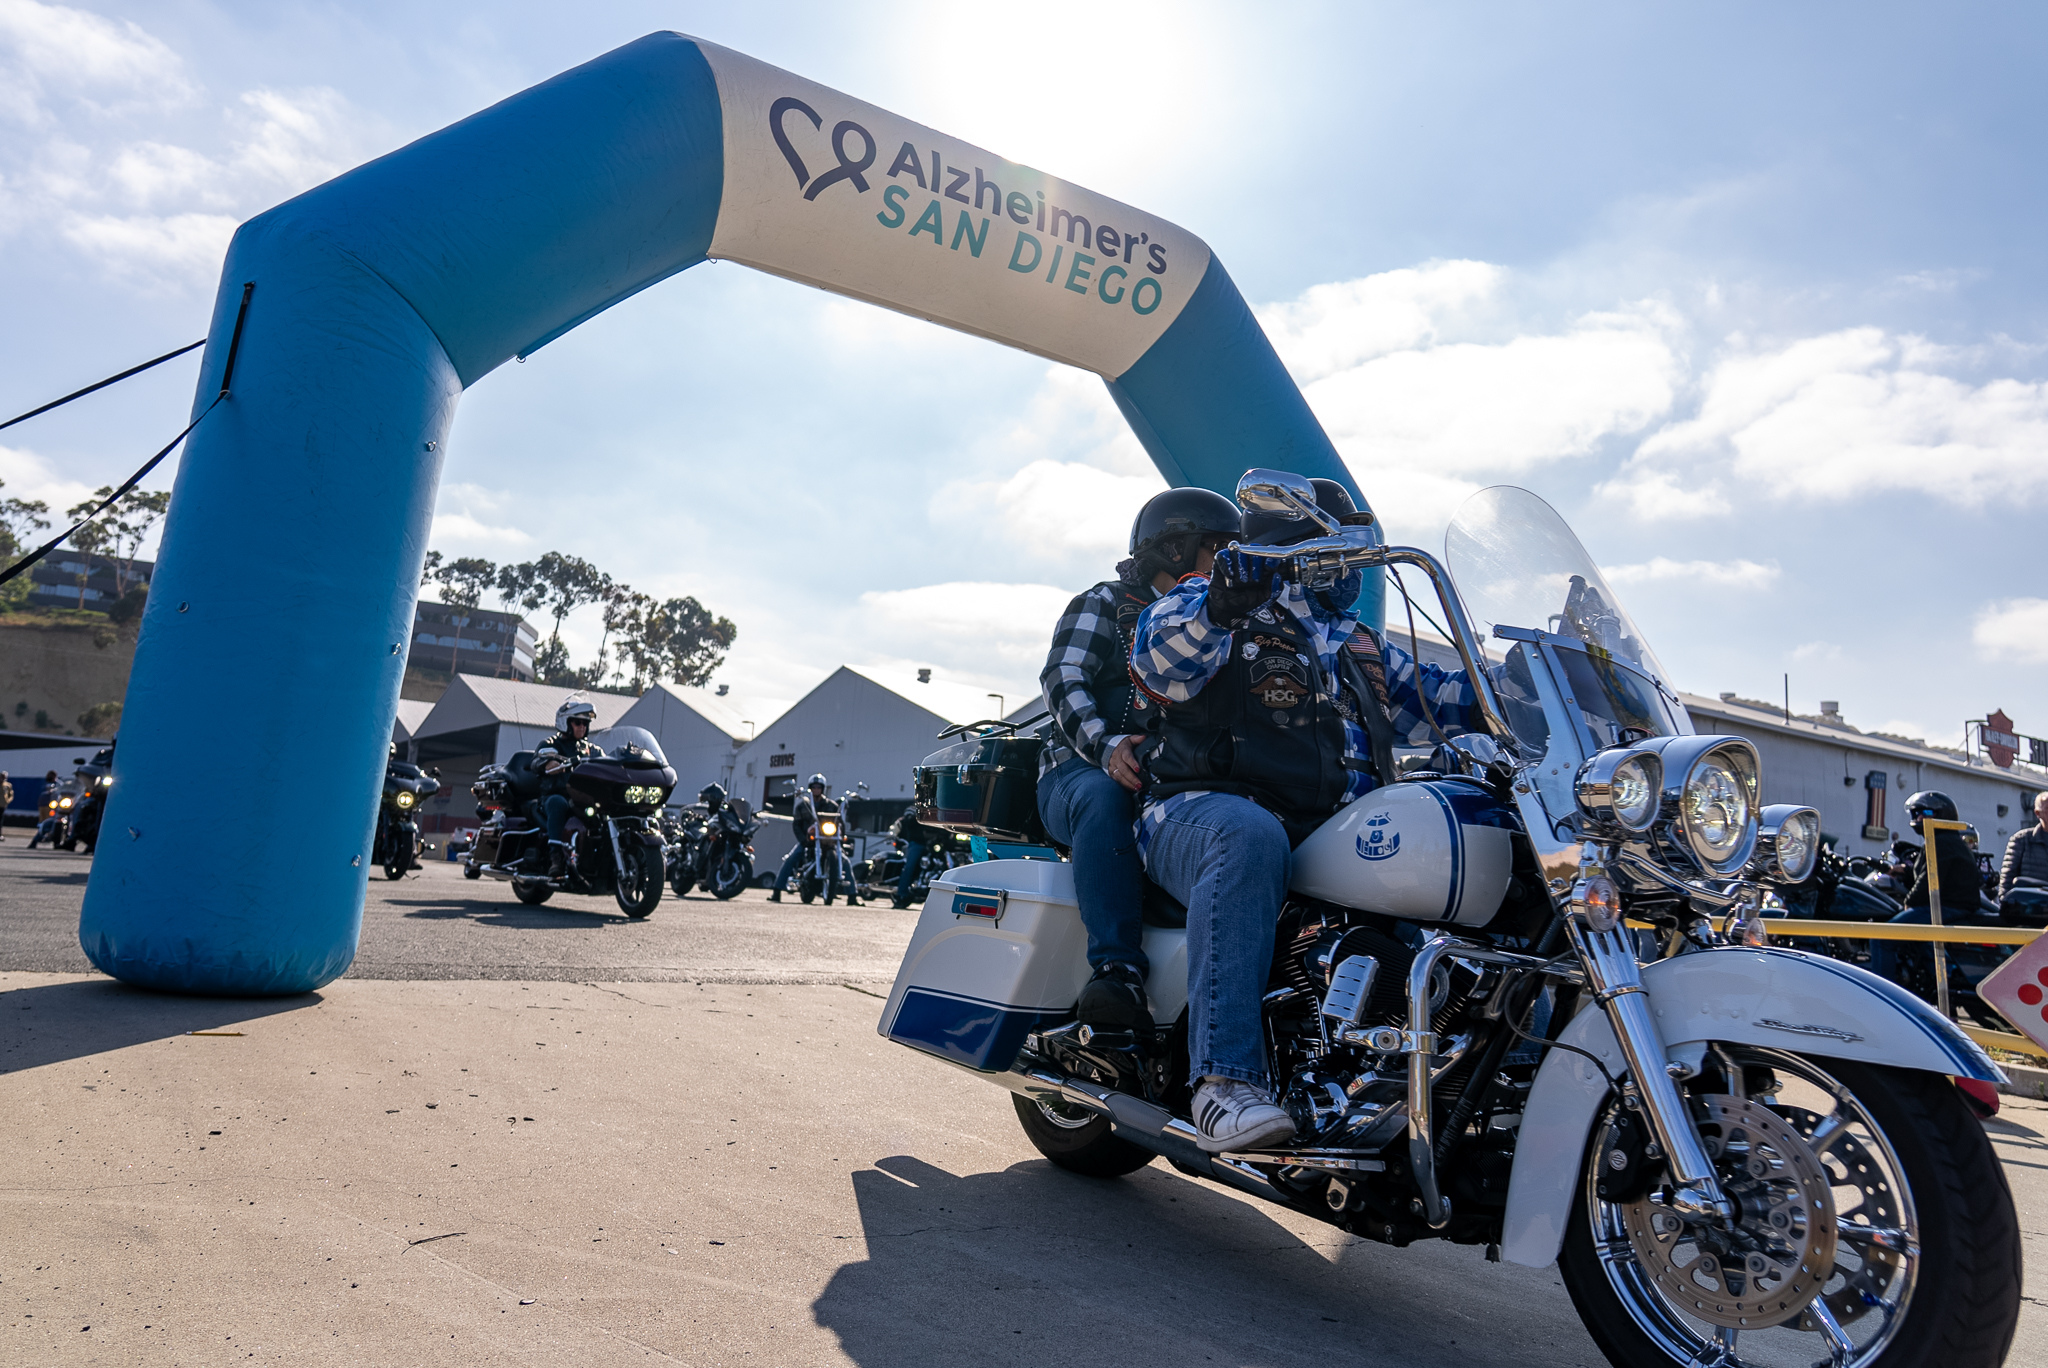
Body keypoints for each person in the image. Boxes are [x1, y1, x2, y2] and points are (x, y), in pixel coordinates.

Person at [1128, 474, 1477, 1152]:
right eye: (1345, 551)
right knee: (1249, 836)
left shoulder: (1358, 646)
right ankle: (1223, 1085)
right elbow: (1163, 652)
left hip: (1323, 833)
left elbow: (1451, 700)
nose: (1354, 569)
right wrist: (1225, 601)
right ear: (1303, 546)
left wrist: (1554, 677)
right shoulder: (1217, 598)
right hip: (1198, 813)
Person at [1036, 486, 1241, 1030]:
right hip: (1075, 774)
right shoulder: (1103, 602)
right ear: (1177, 549)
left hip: (1161, 777)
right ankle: (1116, 970)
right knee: (1107, 795)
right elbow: (1063, 676)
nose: (1230, 563)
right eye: (1218, 548)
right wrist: (1105, 747)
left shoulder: (1212, 621)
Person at [1869, 790, 1985, 985]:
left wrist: (1909, 901)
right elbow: (1934, 871)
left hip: (1947, 906)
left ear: (1942, 815)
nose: (1920, 818)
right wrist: (1905, 870)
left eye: (1926, 813)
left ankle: (1883, 994)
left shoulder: (1940, 842)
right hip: (1956, 904)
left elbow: (1929, 880)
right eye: (1916, 814)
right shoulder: (1949, 841)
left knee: (1880, 937)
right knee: (1918, 939)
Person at [769, 774, 861, 904]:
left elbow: (839, 822)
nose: (816, 789)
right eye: (814, 787)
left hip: (828, 841)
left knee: (845, 861)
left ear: (823, 789)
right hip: (809, 841)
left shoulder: (832, 805)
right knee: (792, 858)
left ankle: (852, 896)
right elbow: (796, 825)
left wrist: (840, 837)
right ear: (810, 788)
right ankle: (776, 891)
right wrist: (803, 840)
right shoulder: (803, 805)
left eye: (819, 787)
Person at [533, 696, 598, 877]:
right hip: (554, 796)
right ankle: (556, 856)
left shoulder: (590, 749)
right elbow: (537, 761)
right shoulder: (550, 744)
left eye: (585, 723)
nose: (582, 727)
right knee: (558, 803)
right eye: (578, 722)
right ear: (565, 723)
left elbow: (607, 761)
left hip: (582, 798)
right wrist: (547, 764)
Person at [1999, 791, 2048, 899]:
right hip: (2030, 907)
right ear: (2037, 813)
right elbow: (2008, 876)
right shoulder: (2022, 840)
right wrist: (2005, 903)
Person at [27, 770, 63, 849]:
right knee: (45, 824)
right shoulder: (45, 784)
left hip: (59, 808)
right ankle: (36, 840)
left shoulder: (59, 785)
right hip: (47, 806)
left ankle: (58, 842)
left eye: (52, 775)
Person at [0, 772, 10, 842]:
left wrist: (7, 801)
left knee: (0, 820)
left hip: (2, 805)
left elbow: (11, 794)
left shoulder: (7, 785)